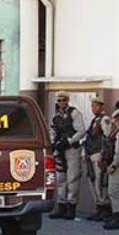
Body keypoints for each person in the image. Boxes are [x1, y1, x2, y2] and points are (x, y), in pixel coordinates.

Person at [49, 91, 86, 220]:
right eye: (59, 100)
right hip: (60, 150)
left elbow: (81, 131)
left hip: (72, 149)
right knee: (60, 179)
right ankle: (61, 206)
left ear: (68, 100)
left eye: (63, 100)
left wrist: (69, 141)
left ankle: (71, 207)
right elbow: (53, 131)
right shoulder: (56, 116)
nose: (61, 103)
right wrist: (54, 144)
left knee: (72, 178)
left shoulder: (74, 113)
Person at [85, 97, 112, 221]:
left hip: (99, 155)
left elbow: (108, 139)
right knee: (93, 182)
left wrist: (103, 156)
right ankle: (99, 208)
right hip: (91, 154)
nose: (93, 108)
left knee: (100, 183)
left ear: (101, 106)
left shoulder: (104, 120)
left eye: (96, 105)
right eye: (92, 106)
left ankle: (104, 209)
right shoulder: (94, 120)